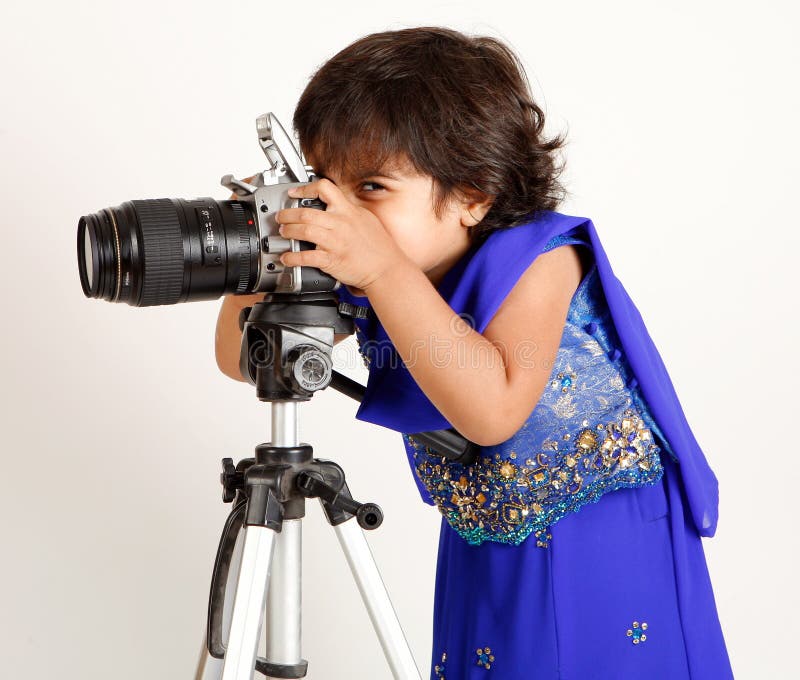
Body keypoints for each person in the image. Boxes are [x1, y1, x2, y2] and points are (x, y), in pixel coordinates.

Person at [215, 26, 733, 679]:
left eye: (372, 187)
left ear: (473, 195)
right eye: (325, 183)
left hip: (596, 543)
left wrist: (382, 274)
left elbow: (493, 411)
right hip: (487, 540)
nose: (343, 209)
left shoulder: (542, 259)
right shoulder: (385, 266)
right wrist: (263, 248)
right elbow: (239, 358)